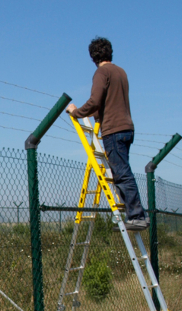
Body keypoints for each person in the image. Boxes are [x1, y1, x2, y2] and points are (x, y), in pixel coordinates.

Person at [66, 37, 148, 230]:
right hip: (126, 127)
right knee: (122, 171)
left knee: (122, 173)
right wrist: (95, 114)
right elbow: (108, 102)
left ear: (93, 57)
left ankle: (137, 216)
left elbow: (95, 101)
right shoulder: (121, 72)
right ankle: (135, 215)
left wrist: (76, 112)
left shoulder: (101, 72)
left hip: (113, 129)